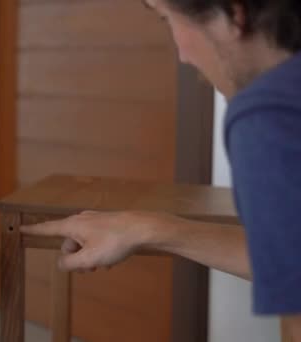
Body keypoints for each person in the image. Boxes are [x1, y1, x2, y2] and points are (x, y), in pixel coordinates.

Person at [22, 0, 301, 339]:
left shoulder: (267, 114)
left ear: (234, 13)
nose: (182, 54)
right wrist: (149, 228)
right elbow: (286, 257)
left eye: (170, 19)